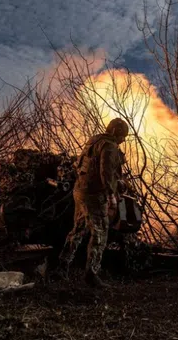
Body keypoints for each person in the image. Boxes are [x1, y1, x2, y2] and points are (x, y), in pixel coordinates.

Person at [51, 118, 129, 288]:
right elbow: (106, 172)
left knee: (78, 229)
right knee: (100, 233)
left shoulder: (94, 141)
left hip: (80, 191)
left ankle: (62, 266)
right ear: (116, 132)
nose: (123, 140)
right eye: (123, 136)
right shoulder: (109, 146)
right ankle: (91, 274)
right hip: (95, 195)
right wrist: (111, 196)